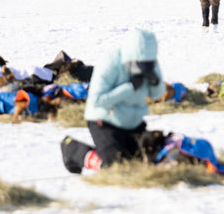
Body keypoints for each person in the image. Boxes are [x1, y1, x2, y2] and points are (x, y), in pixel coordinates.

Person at [60, 29, 165, 173]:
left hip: (134, 122)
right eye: (136, 66)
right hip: (105, 121)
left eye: (145, 66)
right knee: (116, 167)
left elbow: (156, 95)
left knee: (144, 164)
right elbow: (97, 100)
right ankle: (73, 150)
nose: (140, 70)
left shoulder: (150, 63)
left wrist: (155, 82)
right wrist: (130, 87)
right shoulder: (110, 63)